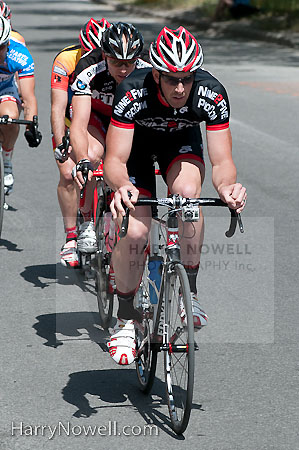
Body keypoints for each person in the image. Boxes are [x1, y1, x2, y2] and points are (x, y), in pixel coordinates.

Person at [100, 26, 247, 365]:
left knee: (188, 198)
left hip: (178, 147)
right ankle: (125, 318)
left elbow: (222, 161)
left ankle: (189, 293)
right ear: (155, 73)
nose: (180, 88)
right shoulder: (133, 90)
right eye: (170, 79)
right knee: (135, 231)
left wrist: (227, 188)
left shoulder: (211, 93)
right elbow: (115, 160)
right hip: (135, 150)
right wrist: (122, 186)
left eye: (187, 78)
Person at [70, 22, 150, 257]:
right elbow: (79, 123)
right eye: (116, 62)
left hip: (129, 123)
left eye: (128, 63)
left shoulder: (149, 68)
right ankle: (86, 221)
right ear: (105, 55)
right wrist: (82, 158)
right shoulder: (88, 68)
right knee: (93, 155)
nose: (123, 69)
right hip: (97, 119)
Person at [50, 18, 111, 268]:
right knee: (68, 173)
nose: (96, 59)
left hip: (105, 116)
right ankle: (72, 236)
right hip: (72, 119)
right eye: (90, 53)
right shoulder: (66, 60)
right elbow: (57, 107)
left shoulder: (118, 65)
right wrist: (61, 143)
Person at [0, 15, 41, 195]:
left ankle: (7, 160)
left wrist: (31, 126)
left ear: (7, 44)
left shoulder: (20, 55)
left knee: (10, 118)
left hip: (5, 89)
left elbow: (28, 96)